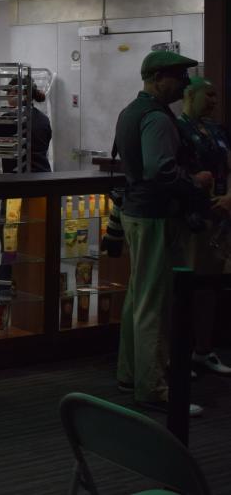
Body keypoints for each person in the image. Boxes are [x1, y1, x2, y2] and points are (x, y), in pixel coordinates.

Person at [113, 50, 210, 416]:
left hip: (136, 212)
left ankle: (129, 372)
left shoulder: (130, 112)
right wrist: (195, 181)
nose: (184, 84)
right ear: (156, 78)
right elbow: (161, 170)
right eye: (178, 77)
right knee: (154, 304)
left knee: (138, 298)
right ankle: (152, 388)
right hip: (156, 215)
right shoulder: (156, 117)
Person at [175, 76, 231, 376]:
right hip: (189, 221)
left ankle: (203, 350)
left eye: (215, 96)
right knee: (185, 287)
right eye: (208, 95)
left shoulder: (217, 130)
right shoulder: (177, 130)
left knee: (210, 287)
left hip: (219, 219)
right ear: (189, 95)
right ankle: (178, 353)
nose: (213, 101)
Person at [0, 75, 52, 173]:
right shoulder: (44, 119)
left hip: (20, 179)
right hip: (44, 176)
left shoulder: (11, 118)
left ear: (17, 92)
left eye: (8, 92)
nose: (7, 96)